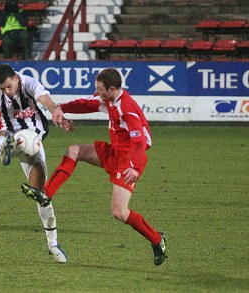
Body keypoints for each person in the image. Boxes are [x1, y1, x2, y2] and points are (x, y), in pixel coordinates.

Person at [21, 68, 168, 266]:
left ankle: (157, 240)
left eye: (99, 89)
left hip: (129, 160)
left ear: (113, 88)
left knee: (119, 212)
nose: (96, 92)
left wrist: (134, 166)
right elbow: (87, 103)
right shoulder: (108, 99)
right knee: (74, 150)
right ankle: (45, 193)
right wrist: (61, 108)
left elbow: (140, 141)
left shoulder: (127, 107)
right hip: (115, 151)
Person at [0, 64, 72, 263]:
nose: (6, 91)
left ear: (15, 77)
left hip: (34, 135)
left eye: (8, 87)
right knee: (0, 136)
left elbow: (45, 100)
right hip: (8, 130)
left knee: (42, 195)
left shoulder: (29, 82)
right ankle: (6, 147)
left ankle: (53, 244)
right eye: (2, 88)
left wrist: (56, 111)